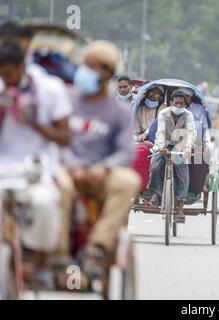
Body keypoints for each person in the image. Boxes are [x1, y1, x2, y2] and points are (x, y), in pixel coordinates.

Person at [60, 40, 141, 277]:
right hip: (67, 170)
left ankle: (96, 248)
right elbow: (56, 141)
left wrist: (105, 167)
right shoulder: (65, 99)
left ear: (107, 74)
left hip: (101, 174)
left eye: (91, 66)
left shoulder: (119, 111)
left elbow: (126, 151)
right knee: (52, 187)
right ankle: (58, 252)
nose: (84, 71)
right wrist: (73, 166)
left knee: (129, 182)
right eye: (84, 65)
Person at [0, 40, 72, 288]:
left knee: (44, 205)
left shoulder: (49, 88)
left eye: (8, 75)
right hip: (2, 168)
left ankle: (39, 262)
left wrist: (35, 122)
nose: (5, 81)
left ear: (21, 67)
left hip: (36, 168)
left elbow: (65, 137)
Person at [147, 90, 196, 223]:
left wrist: (188, 147)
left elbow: (191, 133)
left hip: (181, 146)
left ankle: (179, 209)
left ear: (184, 105)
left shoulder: (188, 115)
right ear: (171, 103)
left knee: (182, 174)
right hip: (165, 144)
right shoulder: (164, 113)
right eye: (176, 103)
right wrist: (161, 147)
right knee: (156, 165)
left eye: (181, 103)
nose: (179, 105)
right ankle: (156, 194)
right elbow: (161, 131)